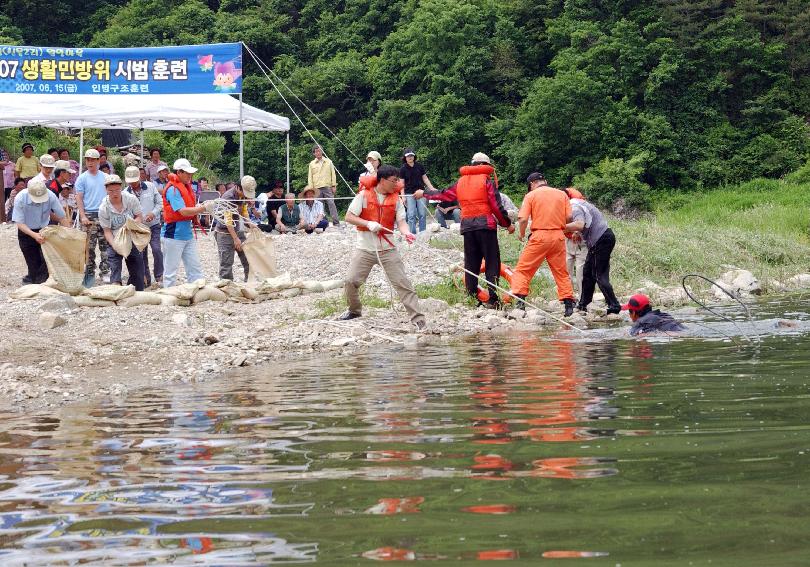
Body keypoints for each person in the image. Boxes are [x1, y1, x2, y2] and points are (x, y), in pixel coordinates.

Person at [414, 152, 513, 307]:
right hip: (486, 226)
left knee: (471, 263)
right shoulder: (486, 181)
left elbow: (444, 194)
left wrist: (424, 193)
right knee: (492, 261)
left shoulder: (461, 182)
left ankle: (472, 297)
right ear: (484, 166)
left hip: (467, 227)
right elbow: (496, 206)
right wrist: (507, 224)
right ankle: (493, 298)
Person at [341, 164, 426, 330]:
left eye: (397, 181)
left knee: (403, 284)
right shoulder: (363, 195)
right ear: (382, 180)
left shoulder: (396, 199)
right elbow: (349, 217)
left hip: (388, 249)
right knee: (350, 281)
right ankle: (354, 311)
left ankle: (418, 319)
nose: (397, 184)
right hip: (364, 248)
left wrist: (407, 233)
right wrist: (368, 223)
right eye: (394, 181)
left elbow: (401, 222)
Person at [510, 172, 575, 315]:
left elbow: (522, 219)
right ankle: (569, 306)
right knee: (561, 272)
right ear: (545, 181)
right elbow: (570, 217)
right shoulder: (561, 194)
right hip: (558, 236)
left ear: (532, 184)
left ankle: (520, 304)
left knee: (523, 270)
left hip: (539, 236)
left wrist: (521, 234)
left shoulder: (531, 196)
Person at [564, 194, 621, 314]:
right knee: (587, 273)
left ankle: (614, 305)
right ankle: (584, 304)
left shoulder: (574, 206)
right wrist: (576, 232)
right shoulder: (576, 203)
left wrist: (559, 227)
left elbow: (580, 224)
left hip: (602, 239)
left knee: (598, 275)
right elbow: (586, 222)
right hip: (600, 239)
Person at [161, 158, 211, 287]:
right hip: (173, 234)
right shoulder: (173, 189)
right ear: (179, 172)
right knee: (171, 271)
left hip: (187, 233)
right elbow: (182, 211)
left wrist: (200, 207)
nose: (190, 176)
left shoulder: (183, 187)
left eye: (190, 173)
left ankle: (197, 290)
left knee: (195, 268)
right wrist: (202, 208)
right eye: (187, 173)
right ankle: (168, 296)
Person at [12, 179, 69, 284]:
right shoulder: (20, 198)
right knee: (33, 262)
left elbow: (62, 217)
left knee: (47, 259)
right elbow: (19, 223)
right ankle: (33, 279)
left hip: (44, 229)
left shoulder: (51, 196)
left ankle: (43, 283)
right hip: (26, 231)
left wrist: (69, 233)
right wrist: (34, 235)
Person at [98, 174, 145, 291]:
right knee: (114, 268)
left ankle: (136, 290)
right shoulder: (103, 208)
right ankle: (116, 289)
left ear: (121, 187)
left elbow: (139, 216)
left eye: (117, 190)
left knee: (137, 269)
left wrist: (133, 225)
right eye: (111, 191)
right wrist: (115, 245)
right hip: (114, 238)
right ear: (106, 190)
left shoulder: (131, 199)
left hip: (131, 236)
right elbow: (107, 231)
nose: (114, 193)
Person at [75, 148, 111, 286]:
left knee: (106, 244)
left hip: (103, 213)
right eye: (87, 159)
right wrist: (83, 215)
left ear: (98, 161)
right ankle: (89, 271)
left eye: (92, 160)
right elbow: (79, 198)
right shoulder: (82, 178)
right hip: (89, 214)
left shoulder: (105, 177)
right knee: (88, 246)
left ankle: (105, 271)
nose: (89, 162)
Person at [125, 165, 163, 288]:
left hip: (153, 225)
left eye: (134, 181)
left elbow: (160, 203)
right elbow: (125, 211)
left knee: (156, 249)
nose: (133, 184)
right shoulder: (125, 193)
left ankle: (159, 275)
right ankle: (146, 278)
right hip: (138, 228)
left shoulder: (151, 187)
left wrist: (153, 213)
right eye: (130, 181)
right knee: (142, 254)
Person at [215, 176, 256, 281]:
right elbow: (228, 221)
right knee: (226, 263)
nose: (246, 196)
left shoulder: (242, 196)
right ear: (238, 188)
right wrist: (235, 239)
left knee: (248, 258)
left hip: (237, 230)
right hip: (224, 233)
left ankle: (250, 282)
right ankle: (227, 287)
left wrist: (249, 223)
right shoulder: (228, 198)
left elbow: (244, 210)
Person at [400, 148, 437, 234]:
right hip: (409, 194)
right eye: (408, 156)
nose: (410, 157)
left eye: (411, 155)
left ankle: (423, 233)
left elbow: (425, 178)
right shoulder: (402, 169)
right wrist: (402, 196)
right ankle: (412, 234)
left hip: (421, 192)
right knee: (411, 214)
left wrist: (431, 188)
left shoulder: (420, 166)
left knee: (422, 214)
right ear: (405, 158)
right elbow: (401, 184)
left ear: (414, 156)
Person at [561, 186, 589, 298]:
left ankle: (583, 298)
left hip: (581, 239)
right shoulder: (561, 201)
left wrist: (576, 231)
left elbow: (582, 221)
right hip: (568, 239)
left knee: (580, 269)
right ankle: (568, 297)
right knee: (566, 269)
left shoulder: (577, 203)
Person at [307, 144, 339, 226]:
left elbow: (333, 174)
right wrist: (311, 189)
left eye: (319, 151)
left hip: (327, 186)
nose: (318, 153)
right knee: (319, 206)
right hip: (316, 187)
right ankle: (325, 222)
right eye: (316, 151)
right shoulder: (312, 164)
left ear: (322, 151)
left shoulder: (329, 161)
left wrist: (334, 185)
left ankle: (336, 222)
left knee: (331, 203)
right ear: (314, 153)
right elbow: (310, 177)